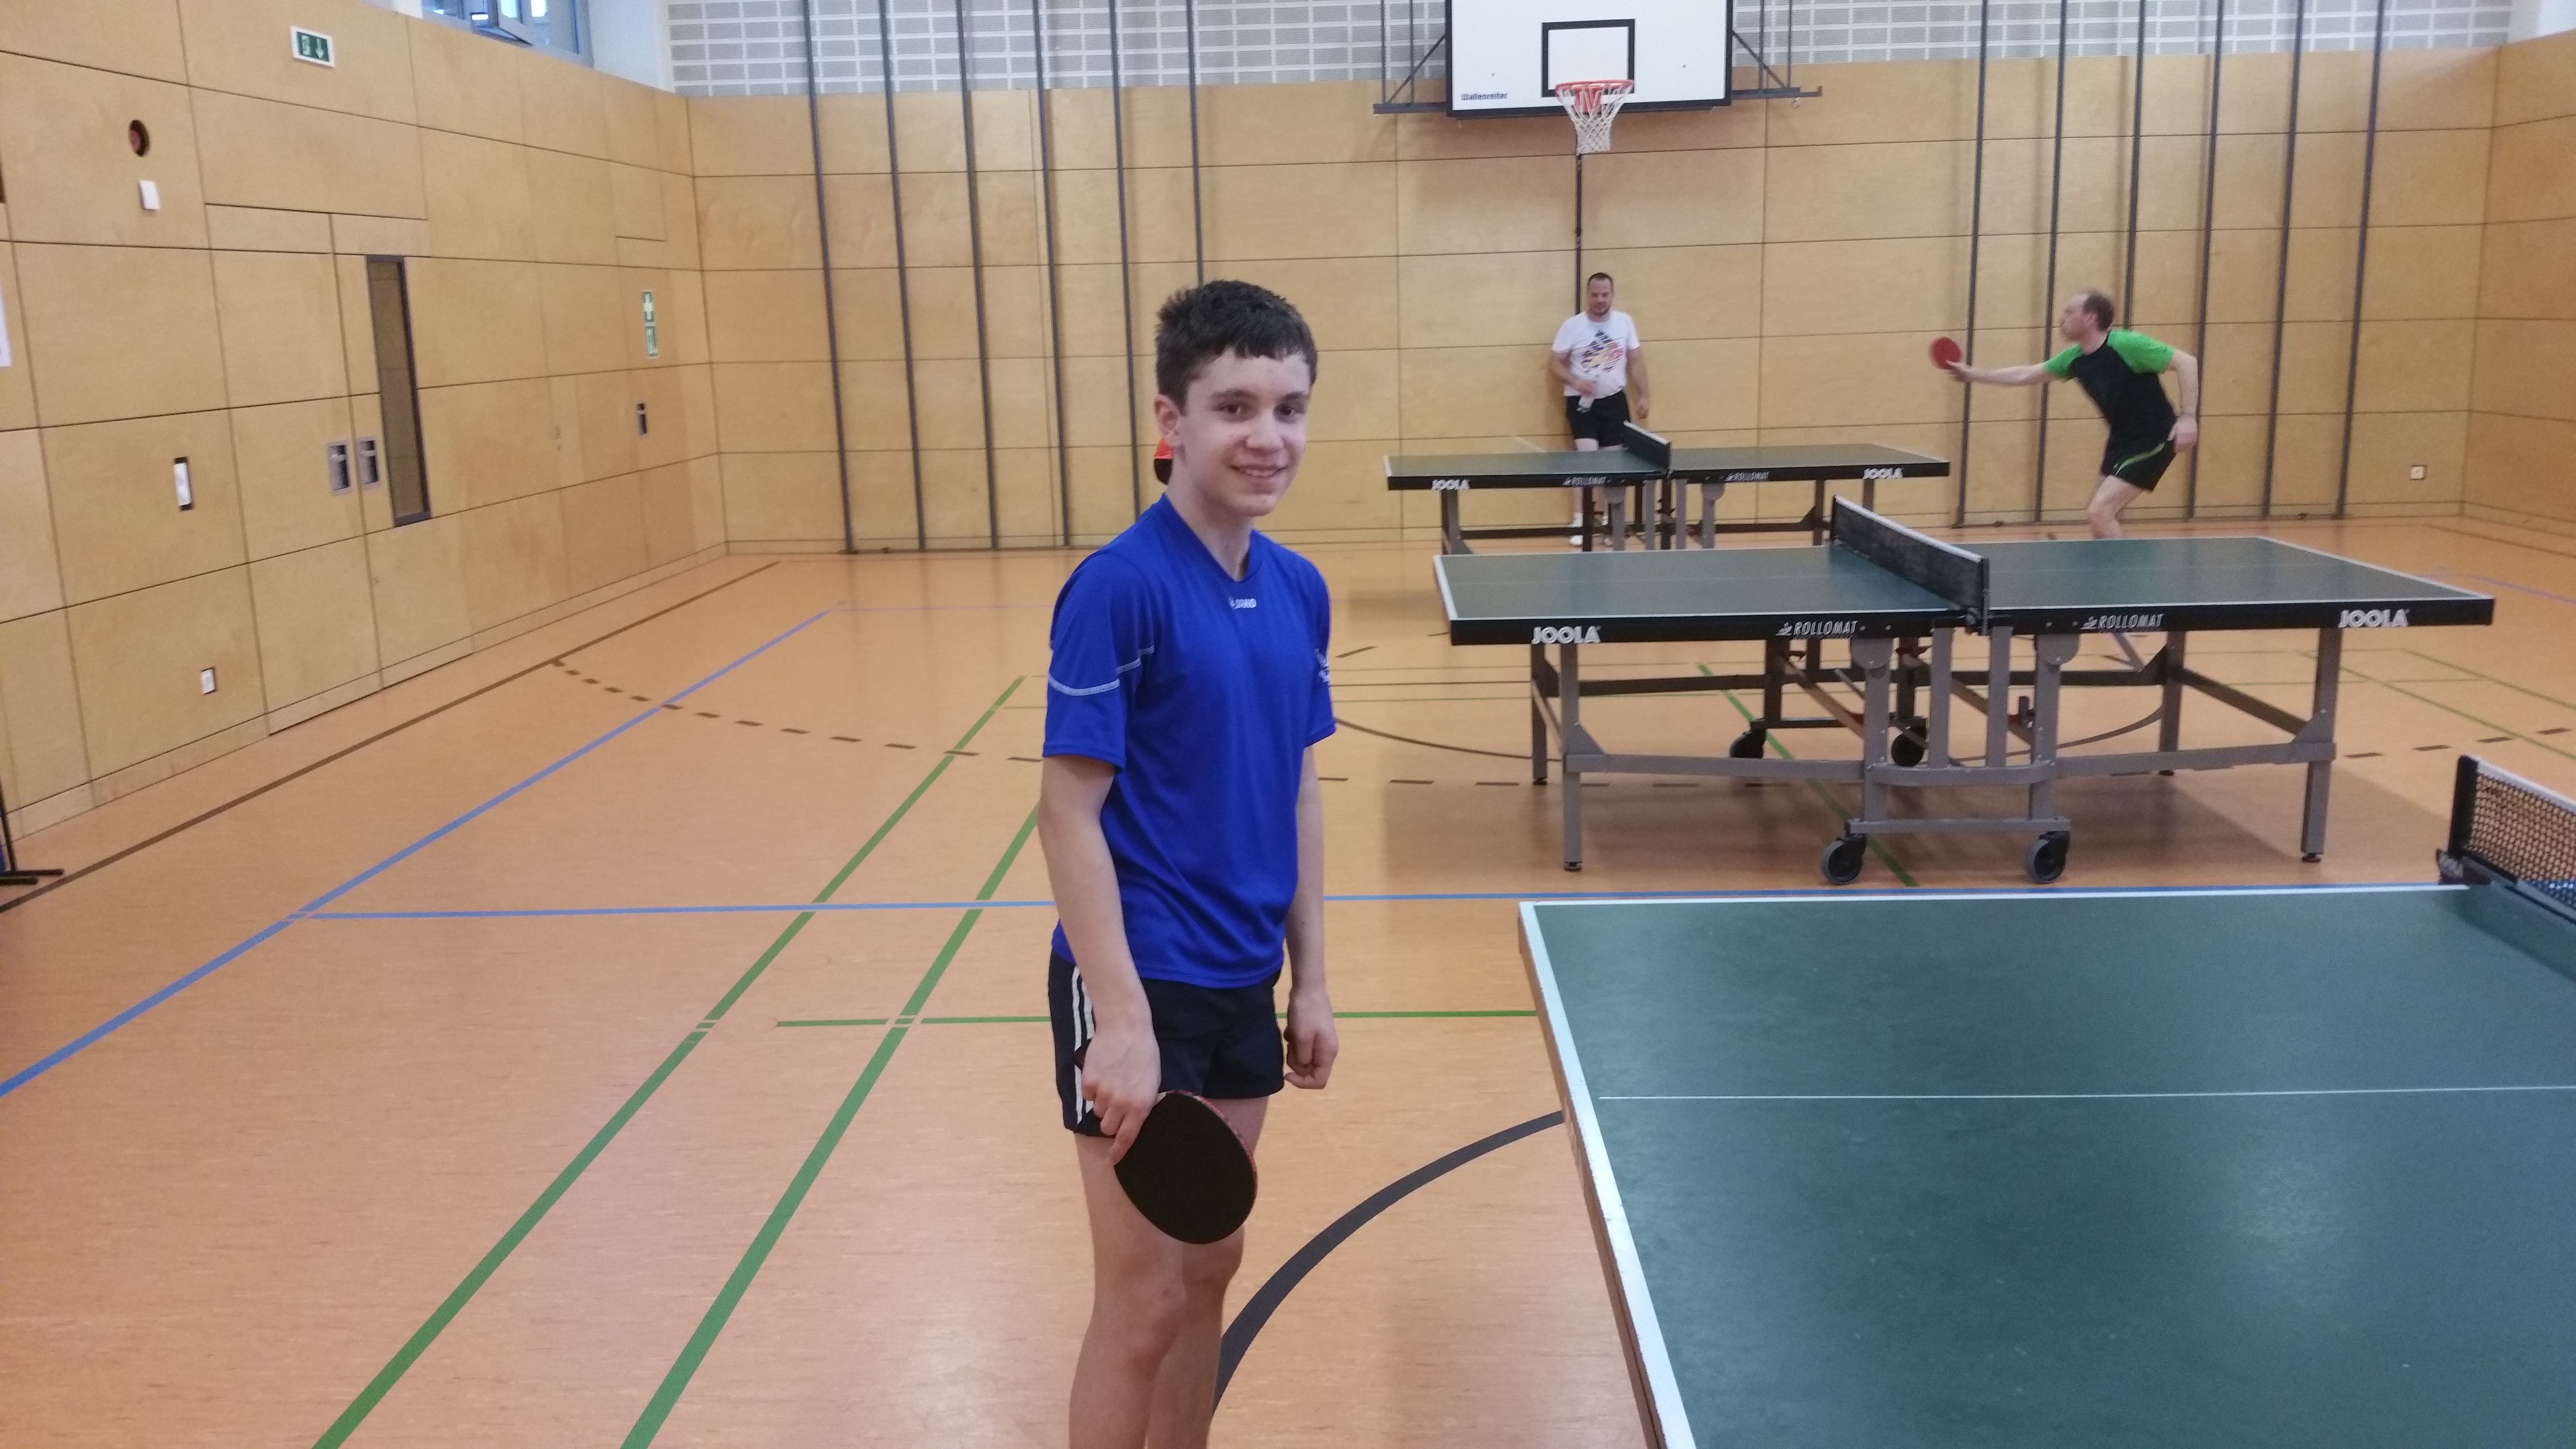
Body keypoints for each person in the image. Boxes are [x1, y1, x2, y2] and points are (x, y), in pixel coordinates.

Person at [1039, 280, 1341, 1449]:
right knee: (1143, 1300)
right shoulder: (1119, 586)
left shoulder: (1299, 588)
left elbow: (1297, 786)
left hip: (1239, 976)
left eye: (1289, 407)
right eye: (1234, 407)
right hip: (1139, 974)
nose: (1268, 437)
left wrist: (1311, 978)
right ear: (1171, 419)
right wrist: (1119, 1021)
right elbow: (1066, 811)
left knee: (1211, 1263)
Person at [1943, 290, 2200, 541]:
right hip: (2121, 441)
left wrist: (2188, 418)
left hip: (2155, 438)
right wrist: (1972, 374)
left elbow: (2186, 362)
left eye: (2069, 312)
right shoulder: (2075, 359)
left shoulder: (2126, 345)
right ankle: (2115, 564)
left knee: (2100, 511)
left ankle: (2124, 569)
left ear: (2090, 318)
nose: (2061, 318)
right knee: (2098, 511)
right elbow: (2026, 374)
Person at [1551, 272, 1651, 544]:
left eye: (1605, 295)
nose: (1600, 300)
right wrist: (1575, 381)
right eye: (1595, 295)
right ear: (1588, 295)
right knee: (1585, 459)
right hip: (1581, 402)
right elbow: (1555, 362)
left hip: (1614, 401)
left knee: (1613, 464)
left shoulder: (1624, 322)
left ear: (1612, 295)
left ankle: (1611, 521)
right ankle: (1580, 520)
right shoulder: (1572, 326)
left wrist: (1644, 395)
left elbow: (1635, 360)